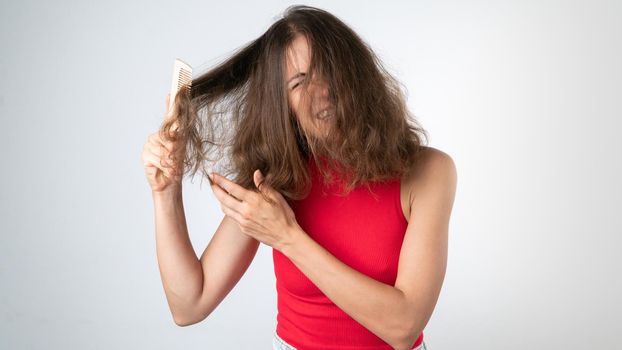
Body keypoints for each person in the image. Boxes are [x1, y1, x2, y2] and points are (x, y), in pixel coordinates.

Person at [141, 5, 456, 350]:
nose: (321, 89)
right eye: (299, 81)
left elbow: (404, 327)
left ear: (356, 72)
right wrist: (166, 192)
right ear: (283, 106)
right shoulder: (275, 179)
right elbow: (189, 304)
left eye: (328, 69)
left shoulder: (429, 172)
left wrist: (288, 237)